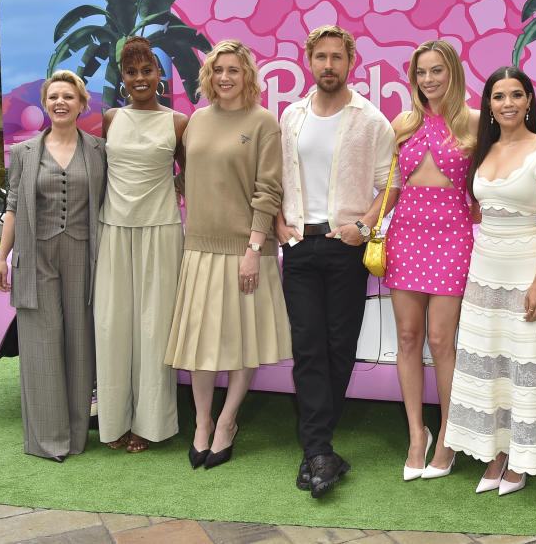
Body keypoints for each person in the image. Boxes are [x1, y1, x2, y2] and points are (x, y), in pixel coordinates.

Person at [443, 66, 536, 495]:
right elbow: (480, 211)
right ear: (488, 105)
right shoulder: (482, 151)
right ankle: (495, 453)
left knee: (525, 366)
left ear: (529, 102)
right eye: (498, 96)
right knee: (491, 365)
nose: (507, 103)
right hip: (484, 271)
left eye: (515, 95)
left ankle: (522, 460)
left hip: (528, 269)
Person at [275, 25, 397, 498]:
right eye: (321, 57)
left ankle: (316, 451)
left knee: (339, 347)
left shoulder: (372, 120)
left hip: (346, 247)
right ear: (309, 61)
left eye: (337, 58)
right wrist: (277, 228)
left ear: (352, 62)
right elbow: (276, 177)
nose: (329, 65)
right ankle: (320, 450)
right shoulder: (290, 117)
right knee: (308, 347)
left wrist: (363, 227)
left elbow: (392, 185)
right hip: (300, 248)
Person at [164, 40, 291, 470]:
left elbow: (268, 189)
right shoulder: (196, 121)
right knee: (200, 343)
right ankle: (202, 422)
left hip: (245, 252)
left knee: (240, 343)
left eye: (234, 70)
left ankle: (227, 423)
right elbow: (187, 178)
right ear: (209, 75)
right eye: (218, 70)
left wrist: (254, 248)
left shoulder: (263, 123)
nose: (225, 77)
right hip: (199, 249)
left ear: (247, 75)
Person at [0, 69, 106, 462]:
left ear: (81, 104)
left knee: (79, 343)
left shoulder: (97, 149)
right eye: (54, 96)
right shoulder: (24, 152)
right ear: (45, 103)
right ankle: (47, 440)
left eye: (69, 97)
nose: (61, 102)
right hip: (36, 256)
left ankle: (75, 437)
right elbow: (11, 208)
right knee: (41, 345)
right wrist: (1, 257)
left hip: (82, 255)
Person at [385, 40, 478, 481]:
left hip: (452, 236)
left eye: (437, 71)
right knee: (408, 337)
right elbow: (392, 187)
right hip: (406, 233)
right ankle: (416, 433)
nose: (428, 80)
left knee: (441, 340)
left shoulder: (476, 122)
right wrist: (367, 224)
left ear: (453, 73)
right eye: (421, 72)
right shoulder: (403, 122)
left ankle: (448, 435)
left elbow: (487, 186)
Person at [94, 36, 187, 454]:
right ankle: (112, 420)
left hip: (161, 231)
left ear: (159, 75)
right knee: (112, 326)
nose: (139, 78)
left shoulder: (179, 122)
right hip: (113, 231)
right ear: (123, 78)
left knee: (153, 330)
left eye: (147, 70)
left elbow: (191, 177)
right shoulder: (110, 119)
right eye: (131, 72)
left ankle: (149, 425)